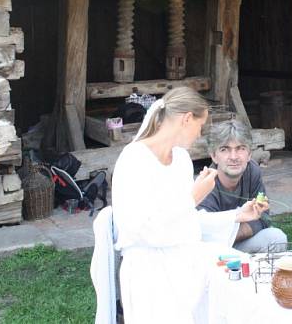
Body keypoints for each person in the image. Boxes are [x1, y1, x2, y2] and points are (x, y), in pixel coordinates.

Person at [106, 87, 268, 324]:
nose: (199, 134)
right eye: (200, 127)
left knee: (243, 277)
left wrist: (237, 215)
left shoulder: (181, 159)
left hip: (184, 255)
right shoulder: (134, 160)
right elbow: (138, 229)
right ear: (186, 119)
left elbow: (187, 221)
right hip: (149, 267)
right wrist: (192, 198)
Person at [197, 119, 287, 253]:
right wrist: (244, 224)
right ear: (214, 156)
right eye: (224, 149)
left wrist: (233, 231)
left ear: (249, 154)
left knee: (276, 237)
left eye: (240, 148)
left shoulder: (252, 171)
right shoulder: (206, 183)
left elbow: (263, 218)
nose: (233, 157)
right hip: (213, 251)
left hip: (237, 242)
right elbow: (205, 236)